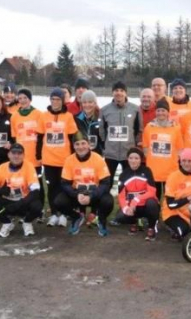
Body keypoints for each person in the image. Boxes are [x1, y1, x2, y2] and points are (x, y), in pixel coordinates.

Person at [55, 133, 114, 236]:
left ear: (89, 145)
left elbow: (105, 183)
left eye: (83, 143)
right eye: (77, 144)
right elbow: (65, 183)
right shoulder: (69, 160)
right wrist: (76, 194)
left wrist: (92, 196)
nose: (80, 147)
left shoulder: (98, 159)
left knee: (108, 201)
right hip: (77, 195)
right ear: (73, 146)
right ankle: (76, 217)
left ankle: (101, 219)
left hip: (94, 195)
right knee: (59, 201)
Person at [37, 87, 79, 227]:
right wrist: (38, 155)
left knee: (64, 187)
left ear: (63, 101)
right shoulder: (43, 116)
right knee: (52, 187)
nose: (55, 102)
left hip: (64, 160)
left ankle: (65, 214)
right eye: (53, 99)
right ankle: (54, 213)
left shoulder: (68, 116)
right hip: (48, 160)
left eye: (58, 99)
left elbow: (73, 137)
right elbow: (40, 137)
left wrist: (74, 156)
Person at [0, 143, 42, 237]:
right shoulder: (1, 168)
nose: (16, 156)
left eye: (19, 153)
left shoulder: (29, 166)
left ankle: (27, 222)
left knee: (37, 205)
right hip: (7, 203)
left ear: (23, 155)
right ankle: (7, 222)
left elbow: (36, 191)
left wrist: (20, 203)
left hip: (23, 202)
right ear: (8, 154)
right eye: (13, 153)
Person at [10, 88, 45, 218]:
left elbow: (42, 136)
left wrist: (40, 154)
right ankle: (25, 210)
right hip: (21, 158)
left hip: (35, 157)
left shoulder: (38, 114)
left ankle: (39, 210)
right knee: (23, 185)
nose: (23, 101)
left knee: (37, 184)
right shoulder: (14, 116)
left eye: (25, 98)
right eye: (20, 98)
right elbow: (15, 138)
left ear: (30, 99)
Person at [99, 81, 141, 185]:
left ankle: (128, 200)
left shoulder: (135, 109)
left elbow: (138, 129)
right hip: (110, 154)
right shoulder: (104, 110)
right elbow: (102, 130)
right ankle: (106, 201)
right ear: (112, 93)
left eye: (121, 90)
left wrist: (133, 145)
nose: (119, 93)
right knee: (107, 182)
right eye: (116, 90)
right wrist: (106, 144)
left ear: (126, 93)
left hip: (128, 153)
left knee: (128, 182)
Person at [142, 98, 185, 201]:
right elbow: (145, 147)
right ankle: (154, 216)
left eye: (163, 110)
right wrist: (154, 159)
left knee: (169, 197)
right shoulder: (149, 127)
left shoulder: (175, 128)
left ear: (168, 112)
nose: (161, 113)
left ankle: (167, 215)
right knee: (153, 198)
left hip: (170, 171)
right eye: (158, 110)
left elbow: (179, 149)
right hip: (154, 170)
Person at [114, 148, 160, 240]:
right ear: (127, 159)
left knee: (152, 203)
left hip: (145, 205)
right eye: (131, 158)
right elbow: (121, 196)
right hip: (132, 207)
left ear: (141, 160)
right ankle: (133, 223)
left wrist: (136, 200)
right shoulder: (123, 174)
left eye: (136, 158)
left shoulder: (147, 171)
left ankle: (151, 227)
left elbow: (152, 191)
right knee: (120, 217)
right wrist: (126, 208)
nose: (133, 161)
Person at [162, 148, 191, 239]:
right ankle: (171, 227)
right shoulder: (173, 177)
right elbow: (170, 205)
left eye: (190, 161)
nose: (186, 164)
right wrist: (189, 198)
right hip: (173, 213)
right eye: (184, 161)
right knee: (184, 232)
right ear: (180, 162)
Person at [74, 90, 103, 155]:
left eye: (90, 102)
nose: (87, 105)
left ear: (95, 103)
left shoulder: (101, 118)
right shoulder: (76, 119)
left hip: (97, 156)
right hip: (80, 155)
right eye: (84, 102)